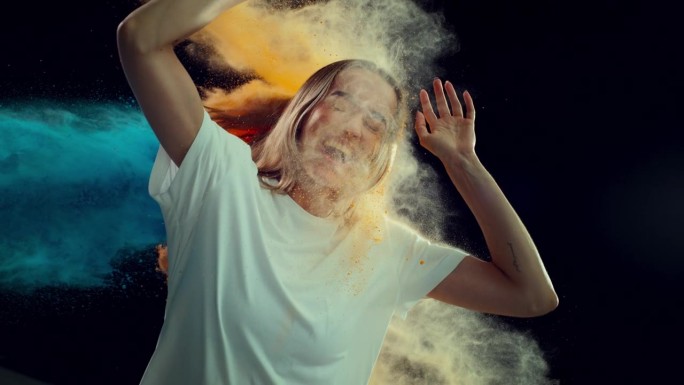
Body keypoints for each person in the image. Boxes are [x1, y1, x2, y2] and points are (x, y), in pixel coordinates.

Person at [117, 0, 558, 384]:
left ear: (380, 156)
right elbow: (141, 39)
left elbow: (531, 295)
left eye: (375, 122)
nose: (352, 128)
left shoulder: (389, 250)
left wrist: (463, 162)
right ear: (302, 112)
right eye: (341, 102)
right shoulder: (219, 176)